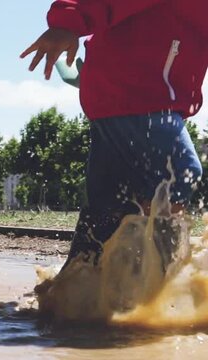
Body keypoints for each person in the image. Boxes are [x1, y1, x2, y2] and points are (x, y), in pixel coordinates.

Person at [21, 0, 208, 269]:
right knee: (177, 173)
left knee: (110, 206)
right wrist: (70, 22)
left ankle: (75, 286)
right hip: (137, 92)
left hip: (127, 93)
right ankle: (154, 285)